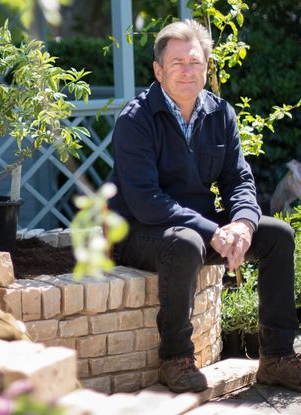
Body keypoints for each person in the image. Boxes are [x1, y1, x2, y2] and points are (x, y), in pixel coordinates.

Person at [109, 19, 300, 393]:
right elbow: (147, 202)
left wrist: (242, 225)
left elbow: (238, 180)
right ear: (158, 70)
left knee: (278, 234)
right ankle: (175, 359)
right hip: (138, 231)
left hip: (196, 230)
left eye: (195, 62)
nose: (187, 70)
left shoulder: (220, 113)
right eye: (177, 62)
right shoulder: (136, 121)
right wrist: (214, 231)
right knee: (185, 242)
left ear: (206, 66)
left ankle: (277, 357)